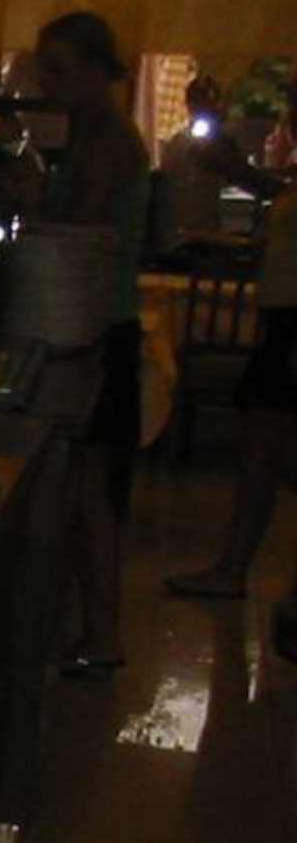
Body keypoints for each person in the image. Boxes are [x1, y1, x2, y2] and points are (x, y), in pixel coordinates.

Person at [35, 12, 152, 676]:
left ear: (93, 69)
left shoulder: (108, 141)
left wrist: (28, 200)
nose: (48, 85)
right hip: (93, 325)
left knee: (92, 493)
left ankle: (104, 636)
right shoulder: (89, 132)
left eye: (58, 70)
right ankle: (90, 628)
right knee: (85, 489)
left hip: (103, 331)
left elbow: (77, 232)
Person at [165, 179, 297, 664]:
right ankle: (234, 568)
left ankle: (239, 570)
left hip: (292, 324)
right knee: (261, 448)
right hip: (282, 321)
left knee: (270, 448)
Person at [156, 76, 282, 253]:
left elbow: (240, 173)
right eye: (198, 102)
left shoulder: (224, 141)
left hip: (207, 231)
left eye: (209, 104)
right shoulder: (177, 144)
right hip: (181, 234)